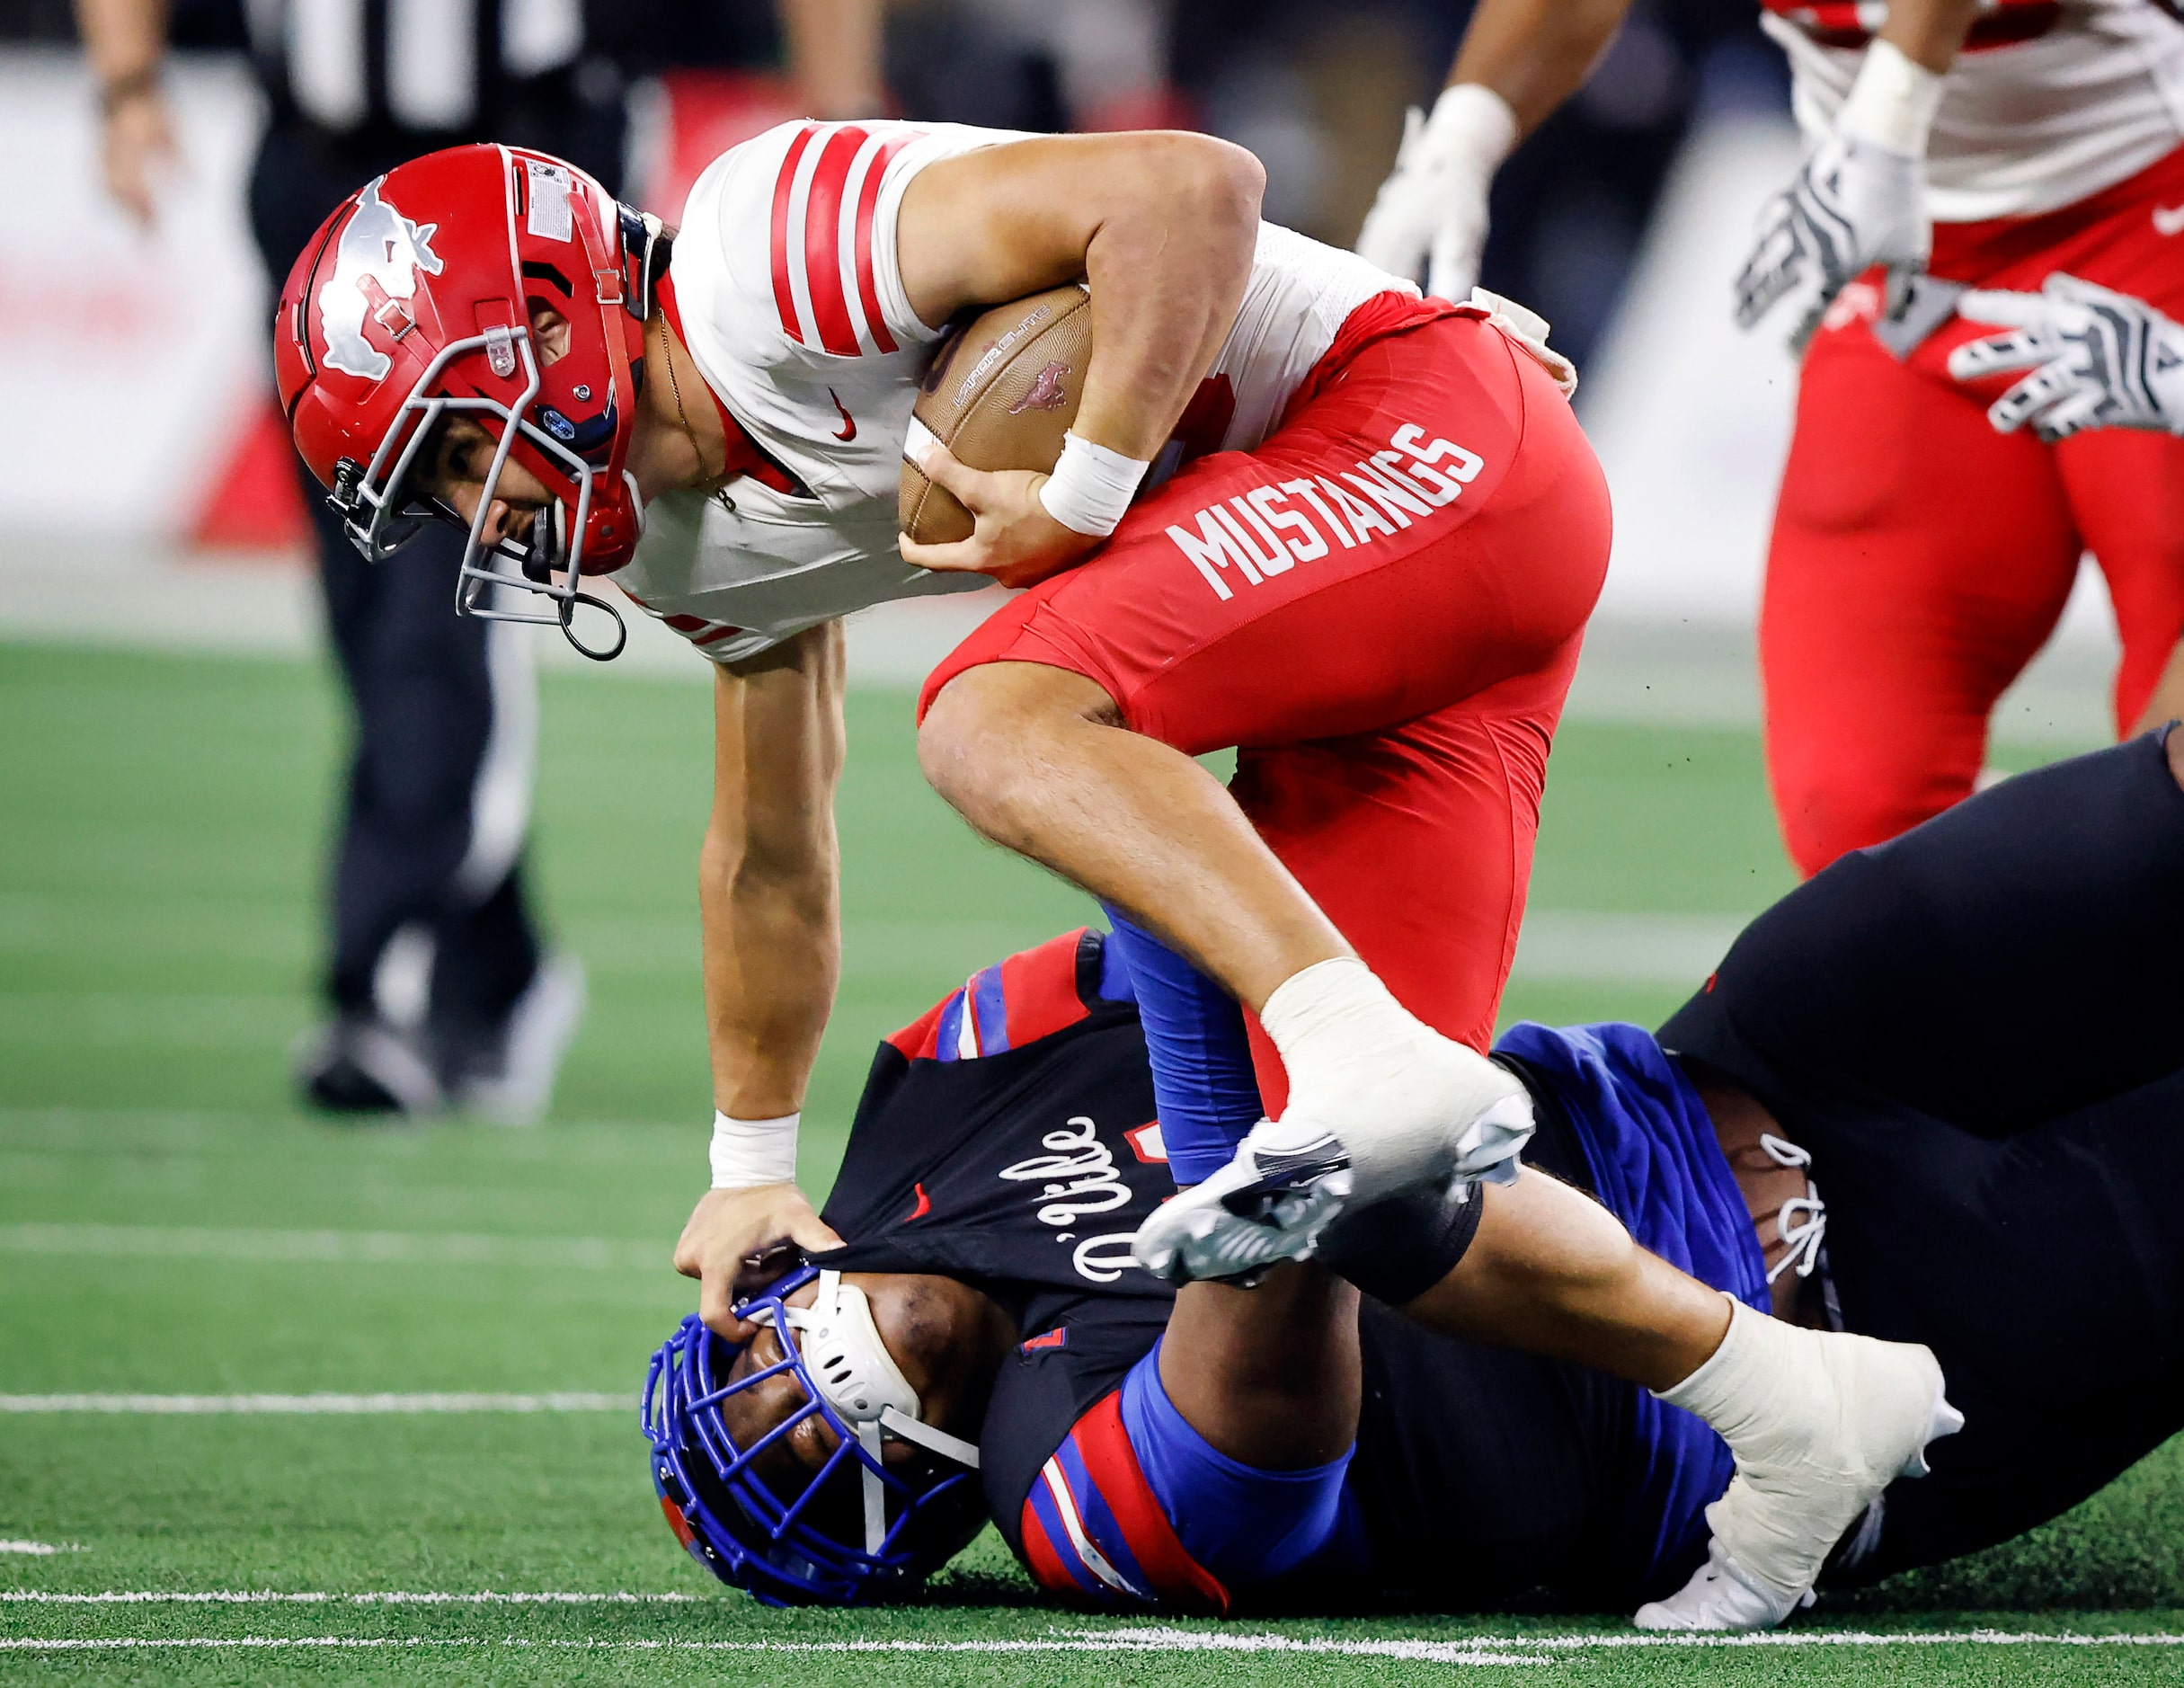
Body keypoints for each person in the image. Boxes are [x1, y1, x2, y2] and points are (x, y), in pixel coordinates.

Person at [271, 120, 1623, 1335]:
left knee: (990, 714)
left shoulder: (767, 255)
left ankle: (1351, 1040)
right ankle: (1789, 1404)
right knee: (1368, 1217)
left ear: (551, 320)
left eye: (456, 449)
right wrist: (748, 1169)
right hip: (1384, 597)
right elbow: (770, 839)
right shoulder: (669, 549)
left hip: (1411, 430)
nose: (477, 510)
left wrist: (1083, 490)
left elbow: (1189, 189)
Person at [645, 723, 2184, 1629]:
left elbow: (1246, 901)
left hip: (1749, 1061)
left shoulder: (940, 1077)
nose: (791, 1403)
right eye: (799, 1460)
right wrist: (1166, 849)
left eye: (748, 1384)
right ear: (905, 1527)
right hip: (1875, 1327)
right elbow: (1285, 1306)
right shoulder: (1070, 1502)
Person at [78, 0, 882, 1119]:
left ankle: (389, 976)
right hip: (318, 170)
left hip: (525, 172)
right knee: (372, 592)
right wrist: (126, 81)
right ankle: (496, 969)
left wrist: (836, 113)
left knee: (446, 592)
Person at [1358, 0, 2184, 878]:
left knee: (2166, 799)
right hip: (1914, 268)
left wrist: (1886, 121)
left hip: (2153, 244)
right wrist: (1462, 135)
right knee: (1855, 814)